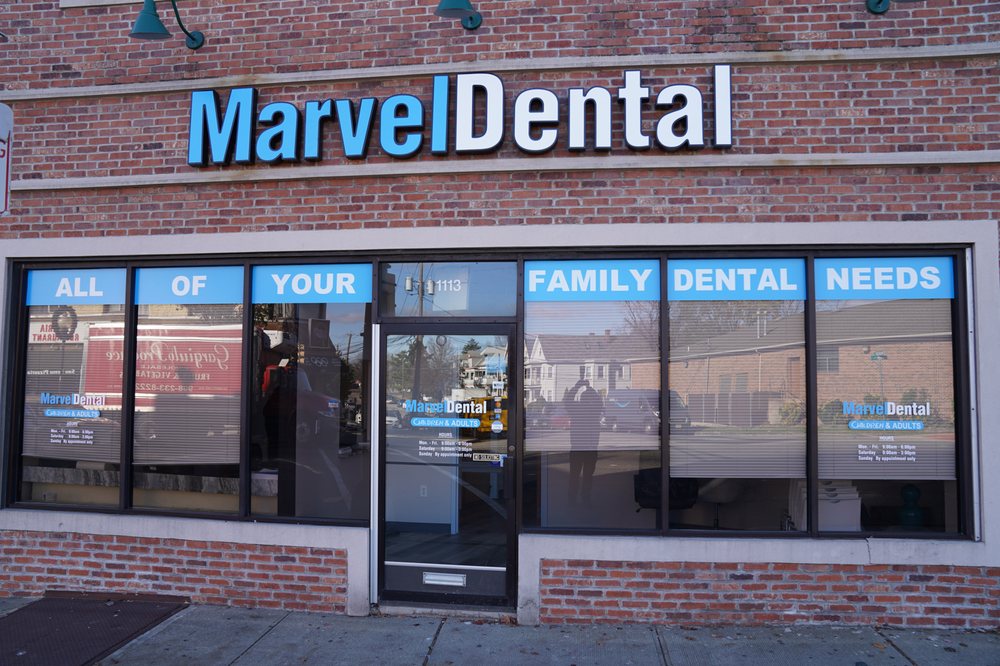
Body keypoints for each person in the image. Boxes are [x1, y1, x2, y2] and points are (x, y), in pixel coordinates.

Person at [565, 378, 602, 506]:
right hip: (590, 449)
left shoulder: (577, 409)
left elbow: (567, 400)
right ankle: (585, 498)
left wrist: (578, 386)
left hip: (578, 448)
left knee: (574, 476)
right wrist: (589, 388)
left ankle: (572, 499)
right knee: (587, 477)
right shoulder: (594, 411)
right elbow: (599, 401)